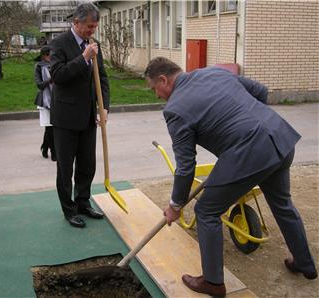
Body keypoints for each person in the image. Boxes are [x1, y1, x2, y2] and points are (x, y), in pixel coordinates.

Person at [144, 57, 317, 297]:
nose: (157, 95)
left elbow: (185, 167)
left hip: (251, 153)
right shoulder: (213, 73)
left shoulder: (175, 110)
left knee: (206, 211)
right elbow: (261, 91)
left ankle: (213, 283)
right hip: (280, 136)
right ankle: (304, 264)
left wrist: (175, 204)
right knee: (283, 204)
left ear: (163, 79)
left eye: (155, 89)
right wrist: (252, 123)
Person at [49, 2, 109, 228]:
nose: (92, 31)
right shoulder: (59, 44)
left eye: (95, 27)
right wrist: (83, 57)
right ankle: (69, 210)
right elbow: (58, 75)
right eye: (89, 26)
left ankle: (83, 202)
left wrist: (105, 107)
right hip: (65, 118)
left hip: (88, 117)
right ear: (76, 22)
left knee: (87, 164)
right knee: (65, 168)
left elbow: (102, 78)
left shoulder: (95, 44)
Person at [34, 46, 56, 161]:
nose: (50, 57)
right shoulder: (38, 67)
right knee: (49, 128)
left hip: (57, 99)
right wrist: (50, 80)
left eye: (51, 55)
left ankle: (45, 147)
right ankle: (54, 152)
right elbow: (39, 85)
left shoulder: (56, 64)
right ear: (43, 56)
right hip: (45, 100)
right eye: (48, 55)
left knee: (54, 127)